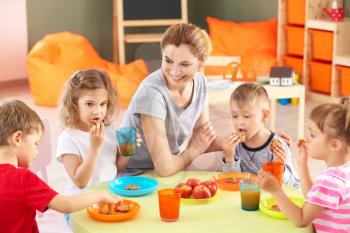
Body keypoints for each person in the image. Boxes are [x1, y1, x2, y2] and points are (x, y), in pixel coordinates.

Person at [0, 99, 119, 233]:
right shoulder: (21, 178)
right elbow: (66, 205)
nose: (37, 152)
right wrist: (100, 195)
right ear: (17, 138)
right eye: (35, 143)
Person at [120, 23, 224, 177]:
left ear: (201, 61)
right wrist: (192, 151)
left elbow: (204, 138)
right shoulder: (152, 94)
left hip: (174, 165)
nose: (174, 72)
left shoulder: (200, 82)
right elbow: (165, 168)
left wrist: (243, 141)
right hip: (137, 176)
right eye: (168, 61)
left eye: (184, 64)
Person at [257, 99, 350, 232]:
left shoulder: (329, 181)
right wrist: (303, 165)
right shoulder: (343, 172)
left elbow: (301, 219)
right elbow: (313, 199)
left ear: (334, 145)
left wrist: (275, 190)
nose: (307, 138)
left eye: (312, 135)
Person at [56, 69, 139, 194]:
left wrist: (126, 152)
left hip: (108, 194)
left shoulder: (109, 131)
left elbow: (114, 168)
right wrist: (94, 148)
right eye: (89, 104)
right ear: (74, 105)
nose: (97, 111)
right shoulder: (69, 138)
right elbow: (80, 182)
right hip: (80, 202)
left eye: (102, 104)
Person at [222, 83, 299, 188]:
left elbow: (293, 186)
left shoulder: (277, 146)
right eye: (234, 116)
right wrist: (229, 157)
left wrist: (279, 167)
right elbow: (233, 183)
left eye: (246, 116)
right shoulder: (235, 146)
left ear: (264, 116)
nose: (239, 122)